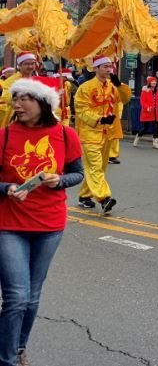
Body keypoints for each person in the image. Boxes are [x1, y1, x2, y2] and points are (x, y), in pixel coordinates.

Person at [0, 78, 85, 366]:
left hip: (49, 225)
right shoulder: (5, 135)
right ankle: (7, 359)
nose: (18, 104)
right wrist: (6, 189)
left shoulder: (65, 134)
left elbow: (78, 174)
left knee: (32, 295)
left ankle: (18, 345)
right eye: (16, 98)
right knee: (16, 296)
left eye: (25, 98)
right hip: (9, 223)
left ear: (43, 103)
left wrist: (58, 180)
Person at [74, 56, 131, 214]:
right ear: (96, 68)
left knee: (100, 168)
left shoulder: (113, 87)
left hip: (108, 133)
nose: (108, 69)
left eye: (110, 66)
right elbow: (81, 109)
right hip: (90, 133)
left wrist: (119, 85)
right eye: (105, 66)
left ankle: (85, 196)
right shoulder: (85, 87)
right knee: (95, 167)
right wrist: (100, 119)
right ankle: (104, 198)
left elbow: (125, 99)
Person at [0, 53, 40, 129]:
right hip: (17, 116)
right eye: (27, 64)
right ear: (20, 65)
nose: (30, 66)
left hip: (35, 117)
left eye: (33, 63)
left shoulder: (37, 79)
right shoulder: (12, 81)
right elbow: (6, 98)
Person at [135, 76, 158, 149]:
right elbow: (142, 101)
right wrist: (147, 108)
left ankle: (155, 143)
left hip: (156, 112)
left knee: (156, 127)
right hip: (147, 112)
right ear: (149, 82)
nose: (154, 82)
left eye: (155, 81)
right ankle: (138, 136)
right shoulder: (145, 90)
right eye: (152, 81)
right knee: (145, 128)